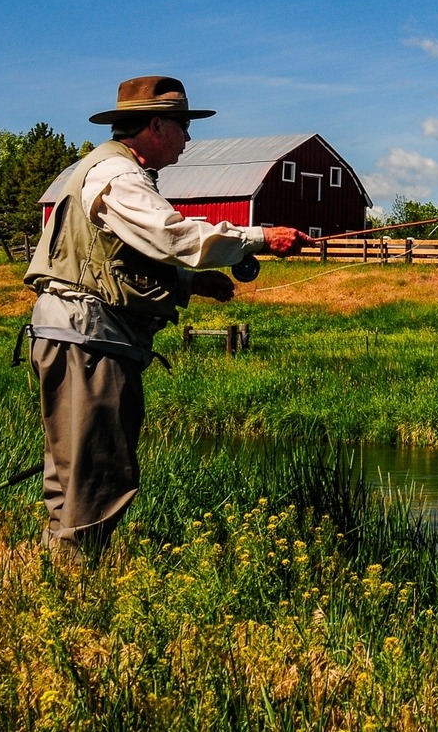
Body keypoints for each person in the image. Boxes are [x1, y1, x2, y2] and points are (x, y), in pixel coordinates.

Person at [23, 75, 313, 558]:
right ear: (156, 125)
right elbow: (171, 235)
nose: (188, 137)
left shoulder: (110, 171)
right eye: (183, 125)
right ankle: (76, 576)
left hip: (74, 333)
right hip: (89, 338)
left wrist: (189, 283)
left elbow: (118, 259)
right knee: (99, 470)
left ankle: (60, 571)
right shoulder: (118, 176)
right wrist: (260, 238)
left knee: (73, 468)